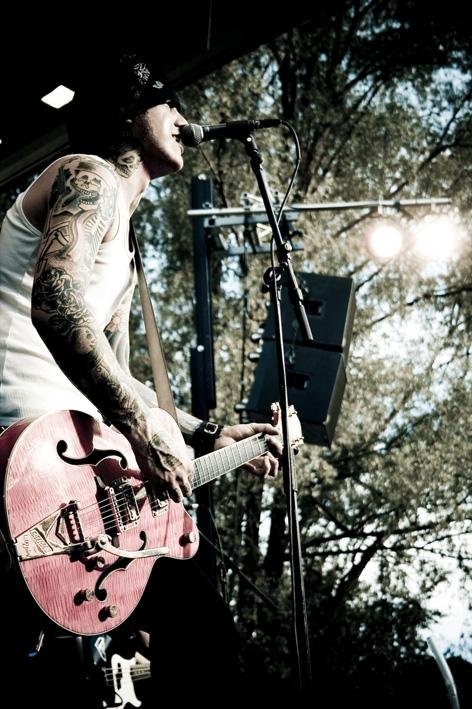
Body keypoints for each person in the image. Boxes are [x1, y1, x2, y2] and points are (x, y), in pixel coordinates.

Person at [0, 54, 282, 705]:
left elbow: (119, 375)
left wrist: (210, 434)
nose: (183, 117)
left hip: (75, 473)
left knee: (193, 628)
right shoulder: (88, 174)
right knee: (204, 637)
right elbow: (56, 303)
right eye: (169, 101)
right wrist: (138, 427)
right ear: (128, 112)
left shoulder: (125, 245)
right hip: (22, 452)